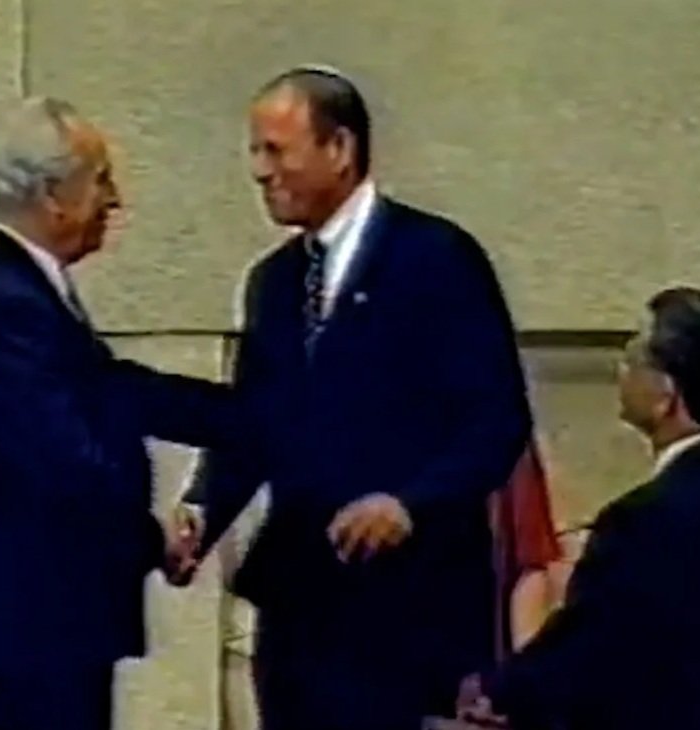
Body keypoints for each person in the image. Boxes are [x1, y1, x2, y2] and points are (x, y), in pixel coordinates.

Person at [171, 66, 533, 729]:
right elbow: (253, 424)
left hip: (409, 610)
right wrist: (200, 511)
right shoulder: (273, 285)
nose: (258, 170)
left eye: (275, 150)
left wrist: (410, 503)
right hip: (300, 611)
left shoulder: (436, 260)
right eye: (254, 150)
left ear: (339, 149)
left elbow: (497, 420)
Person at [0, 96, 241, 730]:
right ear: (52, 196)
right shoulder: (4, 309)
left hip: (42, 637)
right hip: (20, 640)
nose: (115, 200)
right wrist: (157, 541)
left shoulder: (27, 293)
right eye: (101, 180)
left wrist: (254, 416)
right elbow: (69, 469)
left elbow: (119, 392)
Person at [458, 287, 700, 730]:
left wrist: (496, 692)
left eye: (634, 358)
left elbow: (587, 650)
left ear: (666, 394)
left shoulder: (642, 520)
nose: (621, 371)